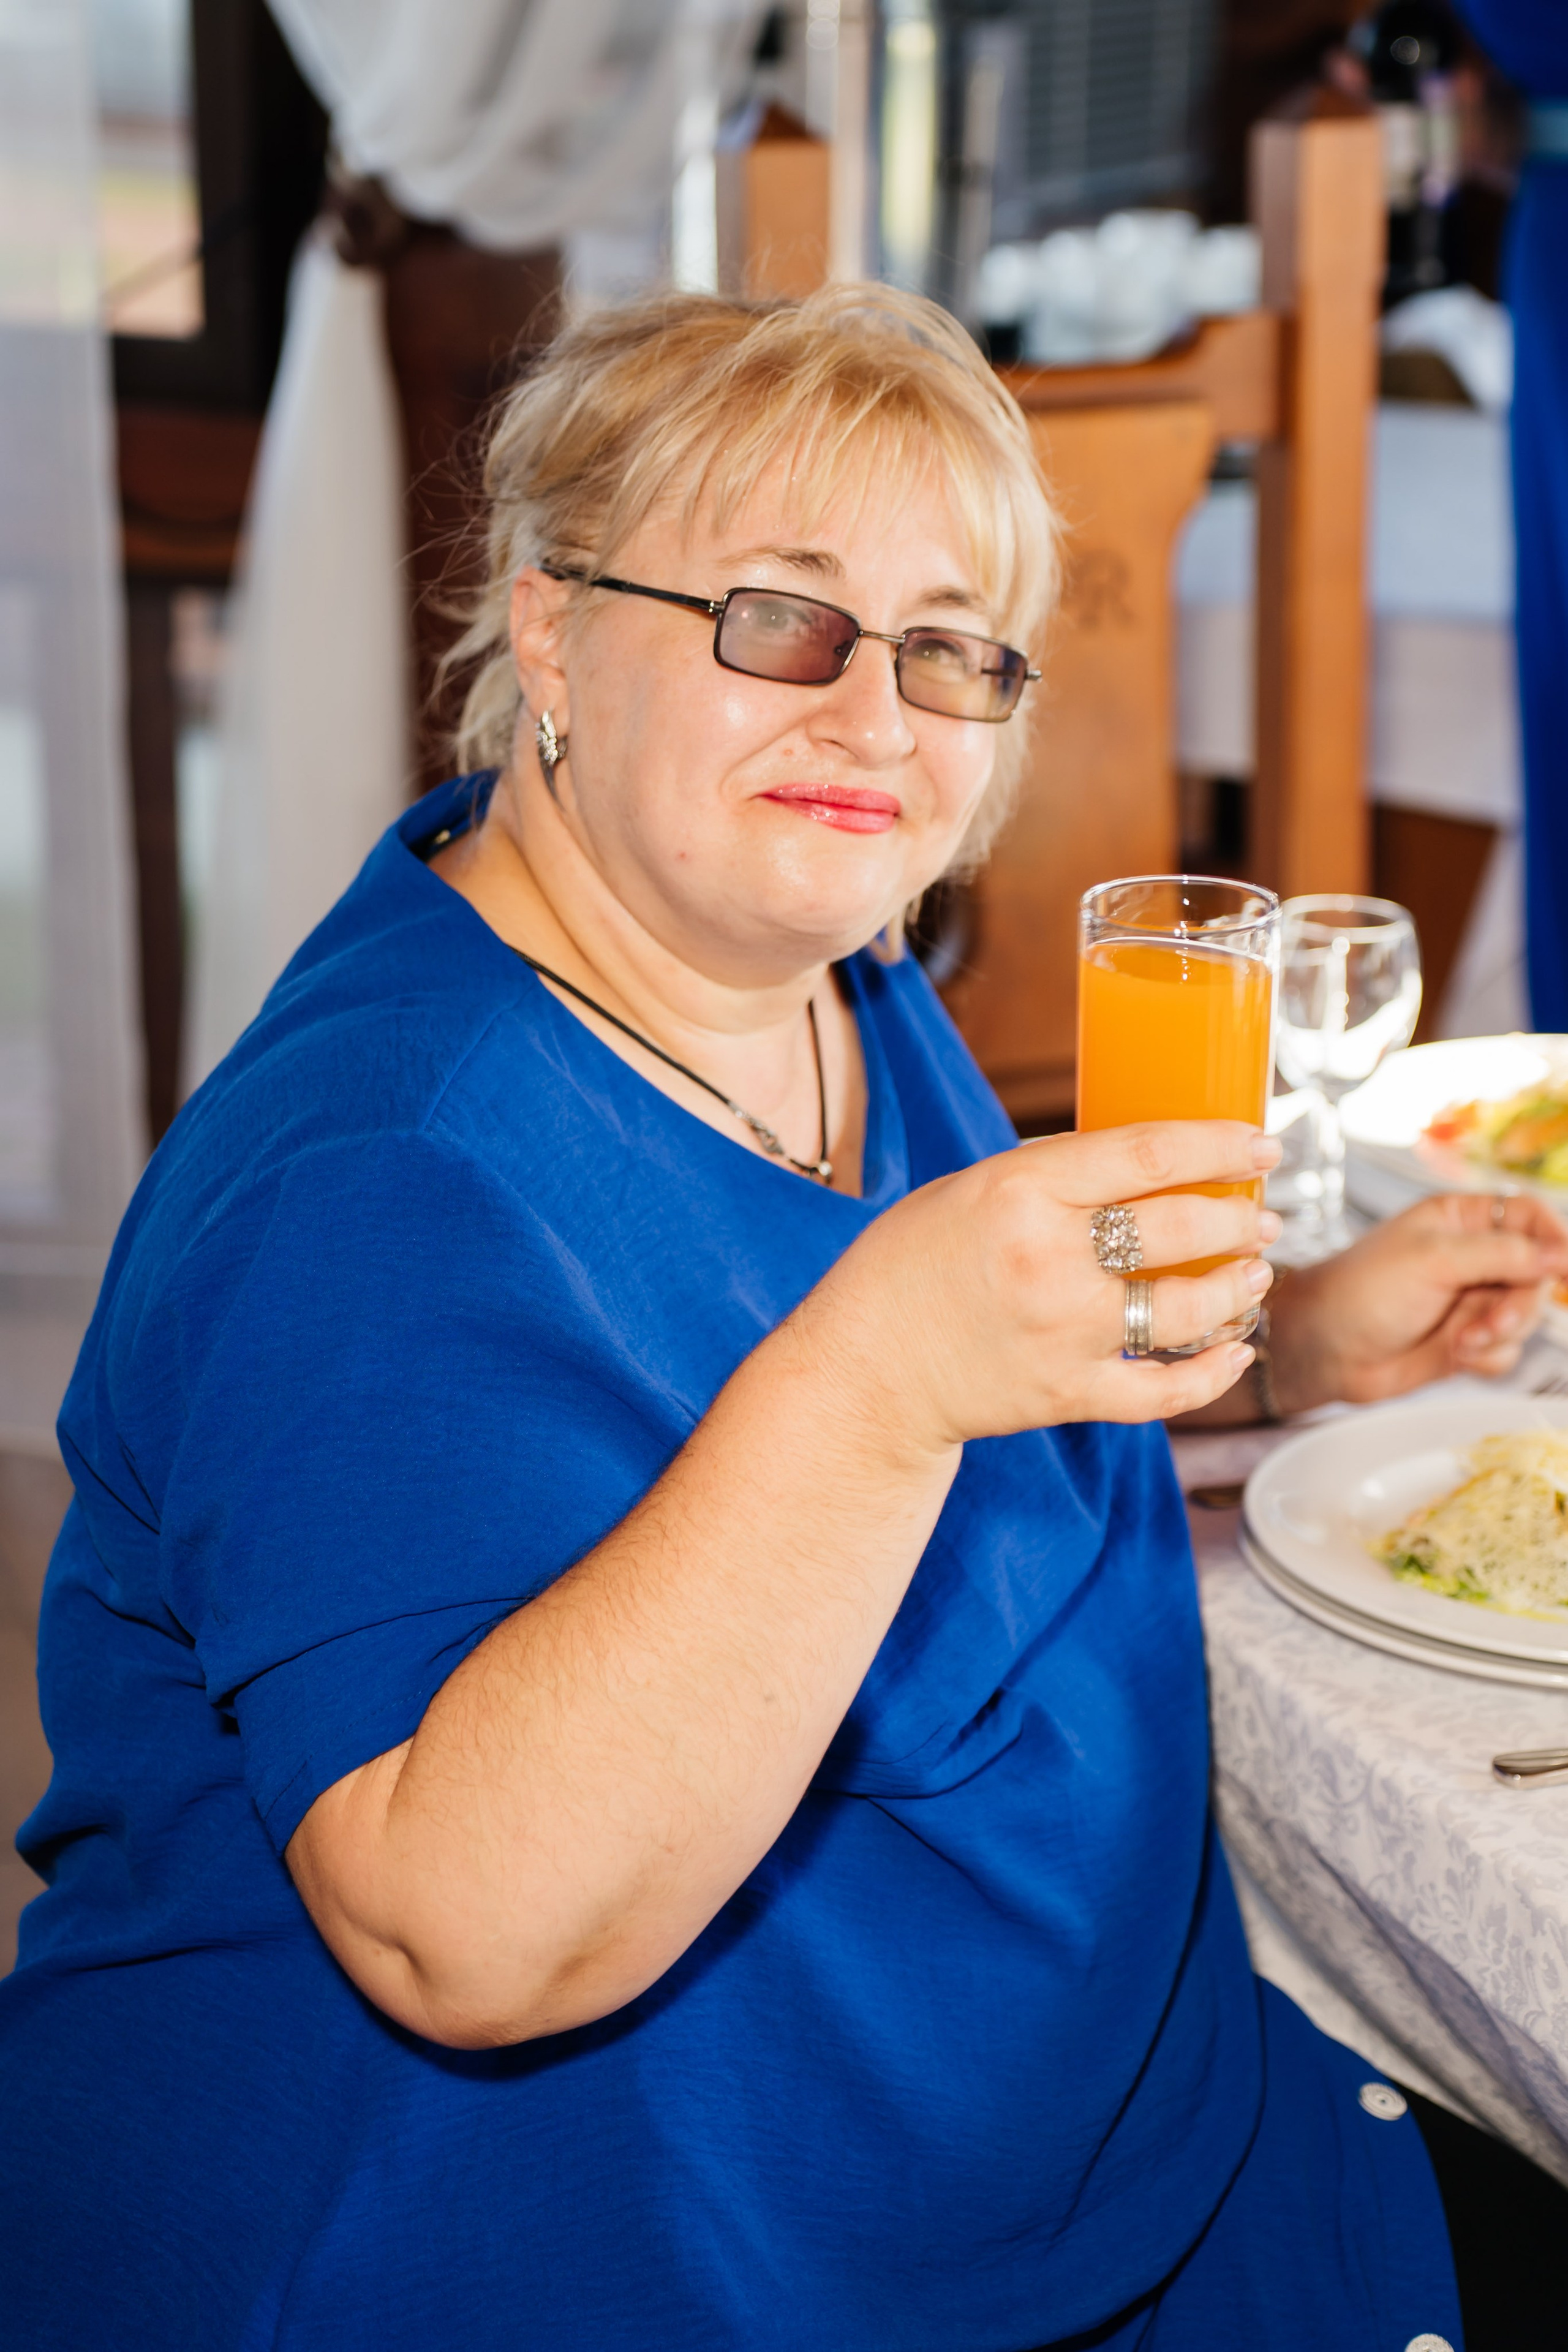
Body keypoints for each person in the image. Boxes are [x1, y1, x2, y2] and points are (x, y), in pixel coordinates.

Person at [1, 287, 1562, 2351]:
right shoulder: (382, 1175)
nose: (879, 720)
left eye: (949, 649)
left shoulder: (817, 981)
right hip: (613, 2260)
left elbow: (905, 1398)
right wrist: (889, 1366)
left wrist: (1297, 1352)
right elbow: (462, 1934)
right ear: (550, 627)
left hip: (1105, 2143)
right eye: (779, 616)